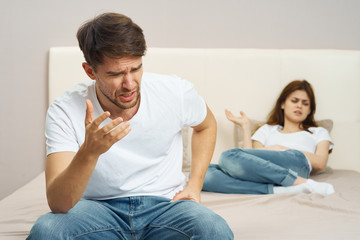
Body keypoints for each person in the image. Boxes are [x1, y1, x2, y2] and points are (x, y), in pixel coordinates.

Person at [27, 12, 233, 239]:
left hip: (166, 206)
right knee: (46, 230)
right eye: (115, 74)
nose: (129, 84)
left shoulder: (174, 92)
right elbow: (58, 203)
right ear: (90, 71)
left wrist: (194, 185)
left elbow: (206, 125)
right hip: (97, 210)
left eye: (135, 68)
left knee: (215, 229)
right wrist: (89, 152)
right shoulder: (65, 109)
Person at [202, 80, 335, 196]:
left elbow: (320, 162)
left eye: (305, 103)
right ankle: (282, 190)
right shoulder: (266, 130)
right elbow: (249, 158)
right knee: (203, 174)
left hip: (297, 163)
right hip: (265, 170)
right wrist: (245, 126)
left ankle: (301, 182)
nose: (299, 105)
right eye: (294, 101)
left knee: (228, 155)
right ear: (283, 104)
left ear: (310, 110)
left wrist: (281, 148)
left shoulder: (318, 132)